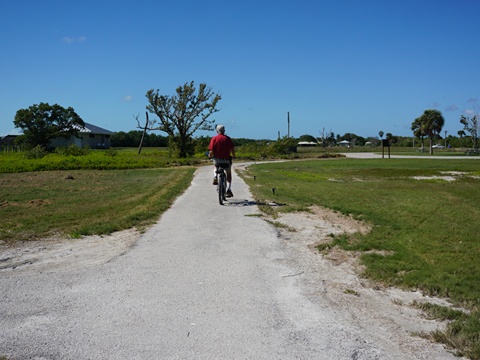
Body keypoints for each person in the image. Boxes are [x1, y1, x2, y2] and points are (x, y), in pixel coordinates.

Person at [208, 124, 235, 197]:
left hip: (217, 159)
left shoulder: (214, 139)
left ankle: (215, 176)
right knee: (228, 173)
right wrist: (234, 155)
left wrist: (210, 156)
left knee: (215, 166)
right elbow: (232, 149)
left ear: (217, 131)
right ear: (224, 131)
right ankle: (229, 190)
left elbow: (211, 151)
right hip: (226, 160)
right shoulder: (228, 139)